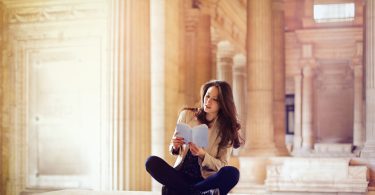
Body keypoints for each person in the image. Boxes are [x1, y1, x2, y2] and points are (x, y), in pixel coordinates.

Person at [145, 80, 243, 195]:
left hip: (204, 180)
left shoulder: (227, 129)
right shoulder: (187, 115)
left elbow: (222, 165)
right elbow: (174, 148)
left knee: (232, 173)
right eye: (207, 96)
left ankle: (185, 191)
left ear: (223, 103)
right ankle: (197, 193)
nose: (208, 101)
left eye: (215, 99)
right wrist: (175, 146)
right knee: (151, 162)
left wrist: (203, 154)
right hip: (180, 176)